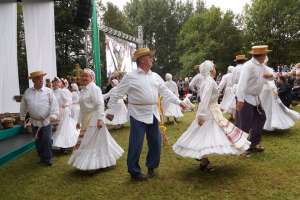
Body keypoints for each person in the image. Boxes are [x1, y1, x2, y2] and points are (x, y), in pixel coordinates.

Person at [106, 48, 187, 181]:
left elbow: (165, 92)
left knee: (156, 142)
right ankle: (134, 172)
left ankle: (151, 167)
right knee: (136, 143)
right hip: (137, 114)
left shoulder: (155, 76)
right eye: (150, 57)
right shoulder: (130, 76)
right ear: (142, 60)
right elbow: (117, 93)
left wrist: (179, 102)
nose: (152, 60)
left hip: (153, 113)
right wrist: (110, 110)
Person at [173, 60, 250, 171]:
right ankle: (203, 159)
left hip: (212, 111)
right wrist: (201, 115)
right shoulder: (209, 81)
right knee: (208, 134)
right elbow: (205, 100)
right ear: (210, 70)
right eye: (213, 67)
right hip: (210, 113)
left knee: (205, 134)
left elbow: (207, 98)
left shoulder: (207, 80)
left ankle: (203, 160)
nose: (215, 69)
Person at [68, 68, 124, 171]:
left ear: (92, 78)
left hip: (94, 119)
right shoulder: (83, 90)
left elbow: (100, 104)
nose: (83, 78)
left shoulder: (95, 88)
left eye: (86, 76)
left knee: (90, 141)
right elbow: (82, 108)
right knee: (93, 141)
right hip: (86, 120)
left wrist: (100, 119)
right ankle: (94, 163)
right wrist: (78, 121)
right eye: (82, 76)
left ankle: (93, 165)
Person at [235, 45, 274, 154]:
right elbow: (241, 84)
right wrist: (240, 100)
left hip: (256, 98)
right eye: (265, 54)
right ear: (260, 55)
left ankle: (253, 144)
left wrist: (270, 76)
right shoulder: (248, 66)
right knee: (244, 124)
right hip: (246, 97)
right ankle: (241, 147)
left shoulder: (262, 66)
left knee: (261, 118)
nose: (266, 56)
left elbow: (272, 75)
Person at [20, 71, 59, 166]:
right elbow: (23, 106)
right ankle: (42, 157)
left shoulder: (49, 91)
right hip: (34, 122)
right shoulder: (28, 92)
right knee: (38, 141)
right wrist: (22, 117)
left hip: (46, 121)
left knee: (46, 139)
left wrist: (53, 115)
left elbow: (54, 105)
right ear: (33, 80)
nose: (41, 80)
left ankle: (47, 159)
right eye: (38, 79)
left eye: (42, 79)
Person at [52, 79, 79, 152]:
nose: (55, 84)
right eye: (53, 83)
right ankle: (57, 144)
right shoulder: (50, 92)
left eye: (56, 83)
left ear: (59, 84)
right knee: (56, 129)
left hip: (63, 112)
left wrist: (65, 105)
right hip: (55, 113)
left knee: (63, 129)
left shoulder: (63, 91)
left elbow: (69, 100)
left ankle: (63, 147)